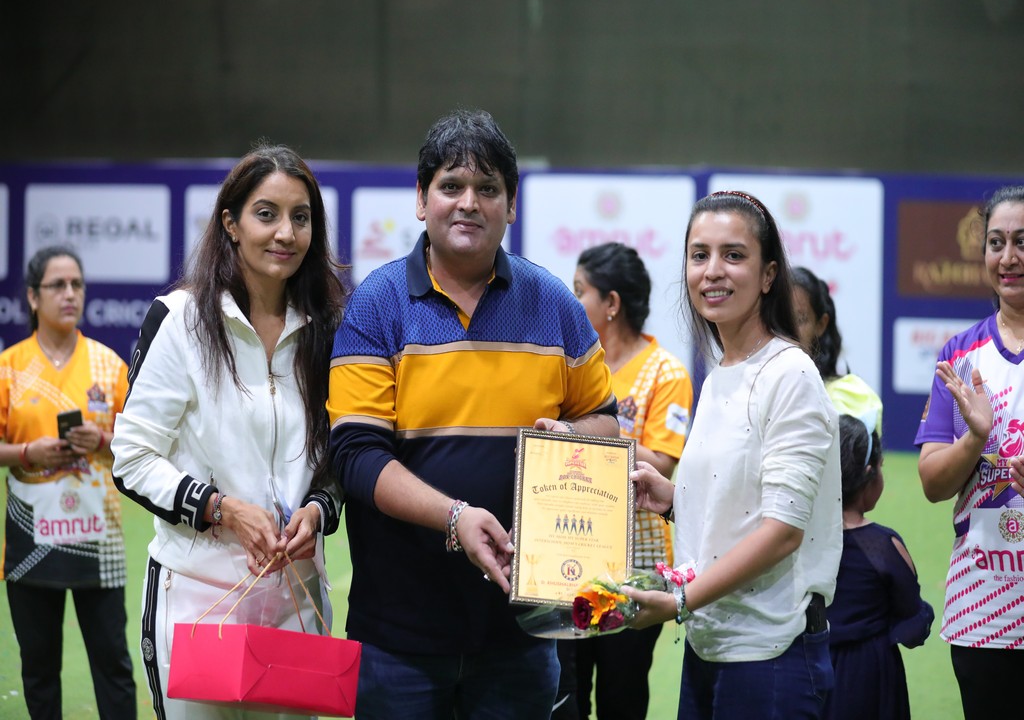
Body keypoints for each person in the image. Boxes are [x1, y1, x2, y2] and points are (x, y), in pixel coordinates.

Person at [326, 108, 618, 719]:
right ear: (421, 199)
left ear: (511, 206)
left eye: (488, 188)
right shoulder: (376, 305)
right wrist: (454, 517)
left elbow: (605, 421)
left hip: (523, 634)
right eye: (451, 185)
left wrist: (570, 435)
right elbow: (355, 455)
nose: (469, 203)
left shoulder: (555, 305)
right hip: (398, 638)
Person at [111, 144, 346, 720]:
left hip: (295, 603)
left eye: (300, 217)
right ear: (231, 224)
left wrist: (318, 511)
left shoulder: (331, 327)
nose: (285, 232)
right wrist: (222, 509)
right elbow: (132, 458)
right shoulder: (180, 321)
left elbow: (341, 456)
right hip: (196, 598)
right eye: (266, 214)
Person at [626, 190, 842, 719]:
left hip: (773, 655)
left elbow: (783, 531)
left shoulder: (789, 374)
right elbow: (741, 499)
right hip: (710, 645)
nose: (712, 271)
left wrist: (680, 600)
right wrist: (674, 499)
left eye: (734, 255)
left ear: (768, 275)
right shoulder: (722, 372)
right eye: (699, 255)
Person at [554, 242, 693, 719]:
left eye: (580, 291)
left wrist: (581, 436)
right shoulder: (572, 364)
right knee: (566, 695)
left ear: (611, 303)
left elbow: (662, 462)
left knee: (622, 695)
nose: (572, 302)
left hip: (638, 565)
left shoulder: (666, 372)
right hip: (568, 553)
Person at [0, 245, 137, 719]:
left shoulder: (109, 365)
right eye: (57, 285)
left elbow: (140, 444)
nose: (70, 294)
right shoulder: (9, 367)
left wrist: (102, 439)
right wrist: (27, 453)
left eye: (77, 284)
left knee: (114, 665)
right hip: (30, 540)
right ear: (32, 297)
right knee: (39, 669)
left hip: (98, 539)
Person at [918, 184, 1024, 720]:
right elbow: (933, 483)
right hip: (984, 603)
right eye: (997, 243)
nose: (1008, 258)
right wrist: (975, 439)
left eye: (1022, 242)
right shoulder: (960, 355)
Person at [824, 414, 933, 720]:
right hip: (869, 675)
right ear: (870, 474)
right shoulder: (883, 546)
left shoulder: (798, 539)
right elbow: (914, 626)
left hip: (809, 669)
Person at [791, 266, 883, 433]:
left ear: (821, 324)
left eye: (799, 319)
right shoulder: (751, 387)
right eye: (777, 318)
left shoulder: (847, 398)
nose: (786, 330)